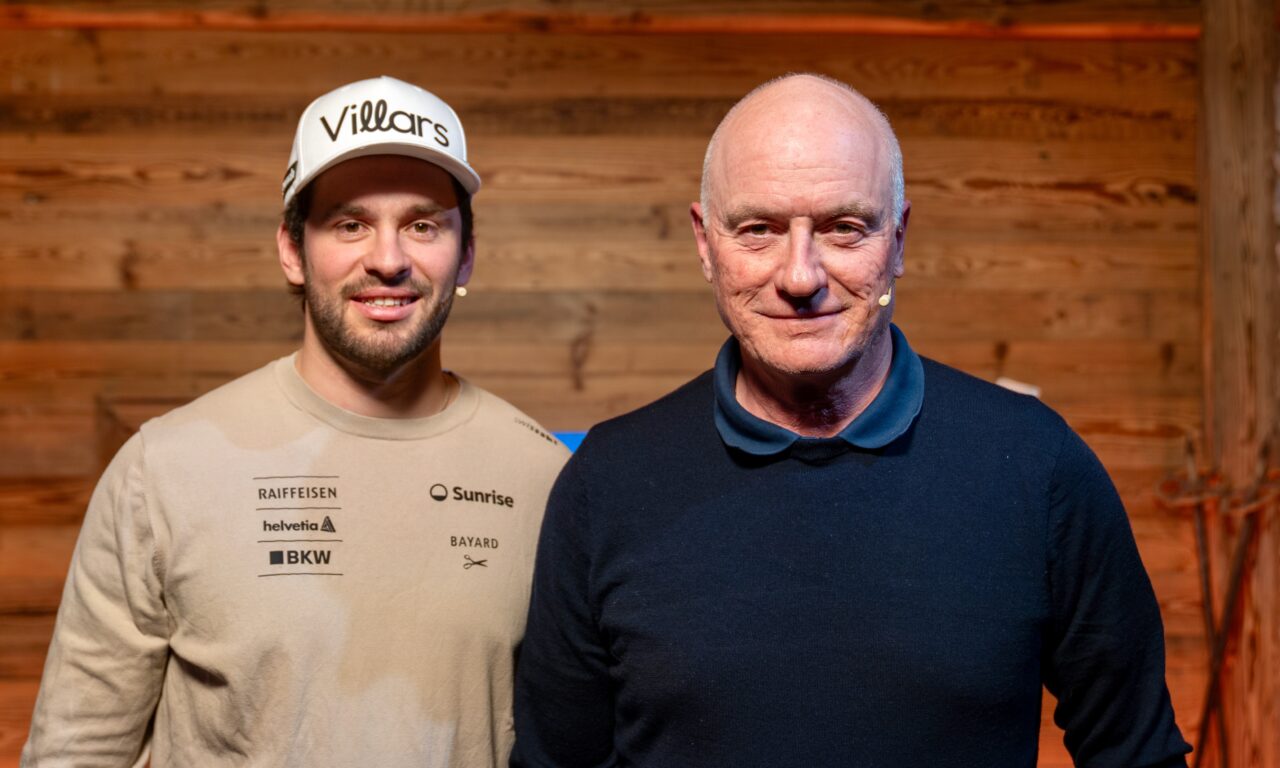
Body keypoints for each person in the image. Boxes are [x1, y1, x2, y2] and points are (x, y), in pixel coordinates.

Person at [511, 73, 1190, 767]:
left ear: (898, 238)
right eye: (758, 230)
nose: (800, 275)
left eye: (844, 228)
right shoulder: (609, 482)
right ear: (705, 242)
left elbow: (1137, 753)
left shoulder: (1037, 467)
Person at [22, 76, 568, 767]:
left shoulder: (547, 477)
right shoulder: (163, 470)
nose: (389, 259)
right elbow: (77, 751)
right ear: (291, 250)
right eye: (349, 224)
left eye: (423, 224)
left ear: (465, 254)